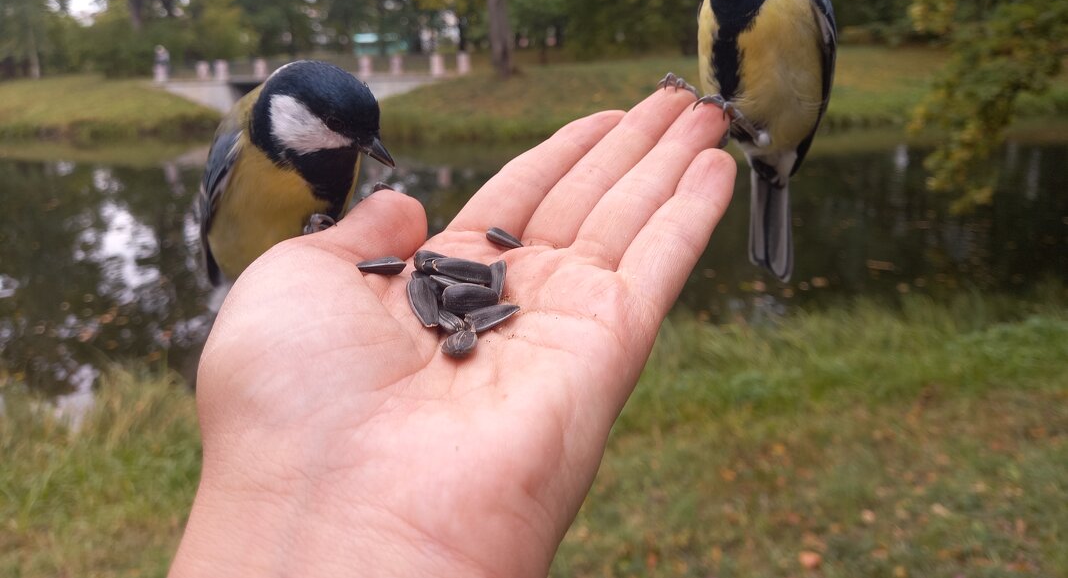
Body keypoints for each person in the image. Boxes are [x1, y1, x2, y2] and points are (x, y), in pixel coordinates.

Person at [169, 90, 734, 577]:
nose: (364, 151)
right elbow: (211, 215)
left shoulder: (341, 149)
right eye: (349, 135)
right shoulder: (240, 136)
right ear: (285, 114)